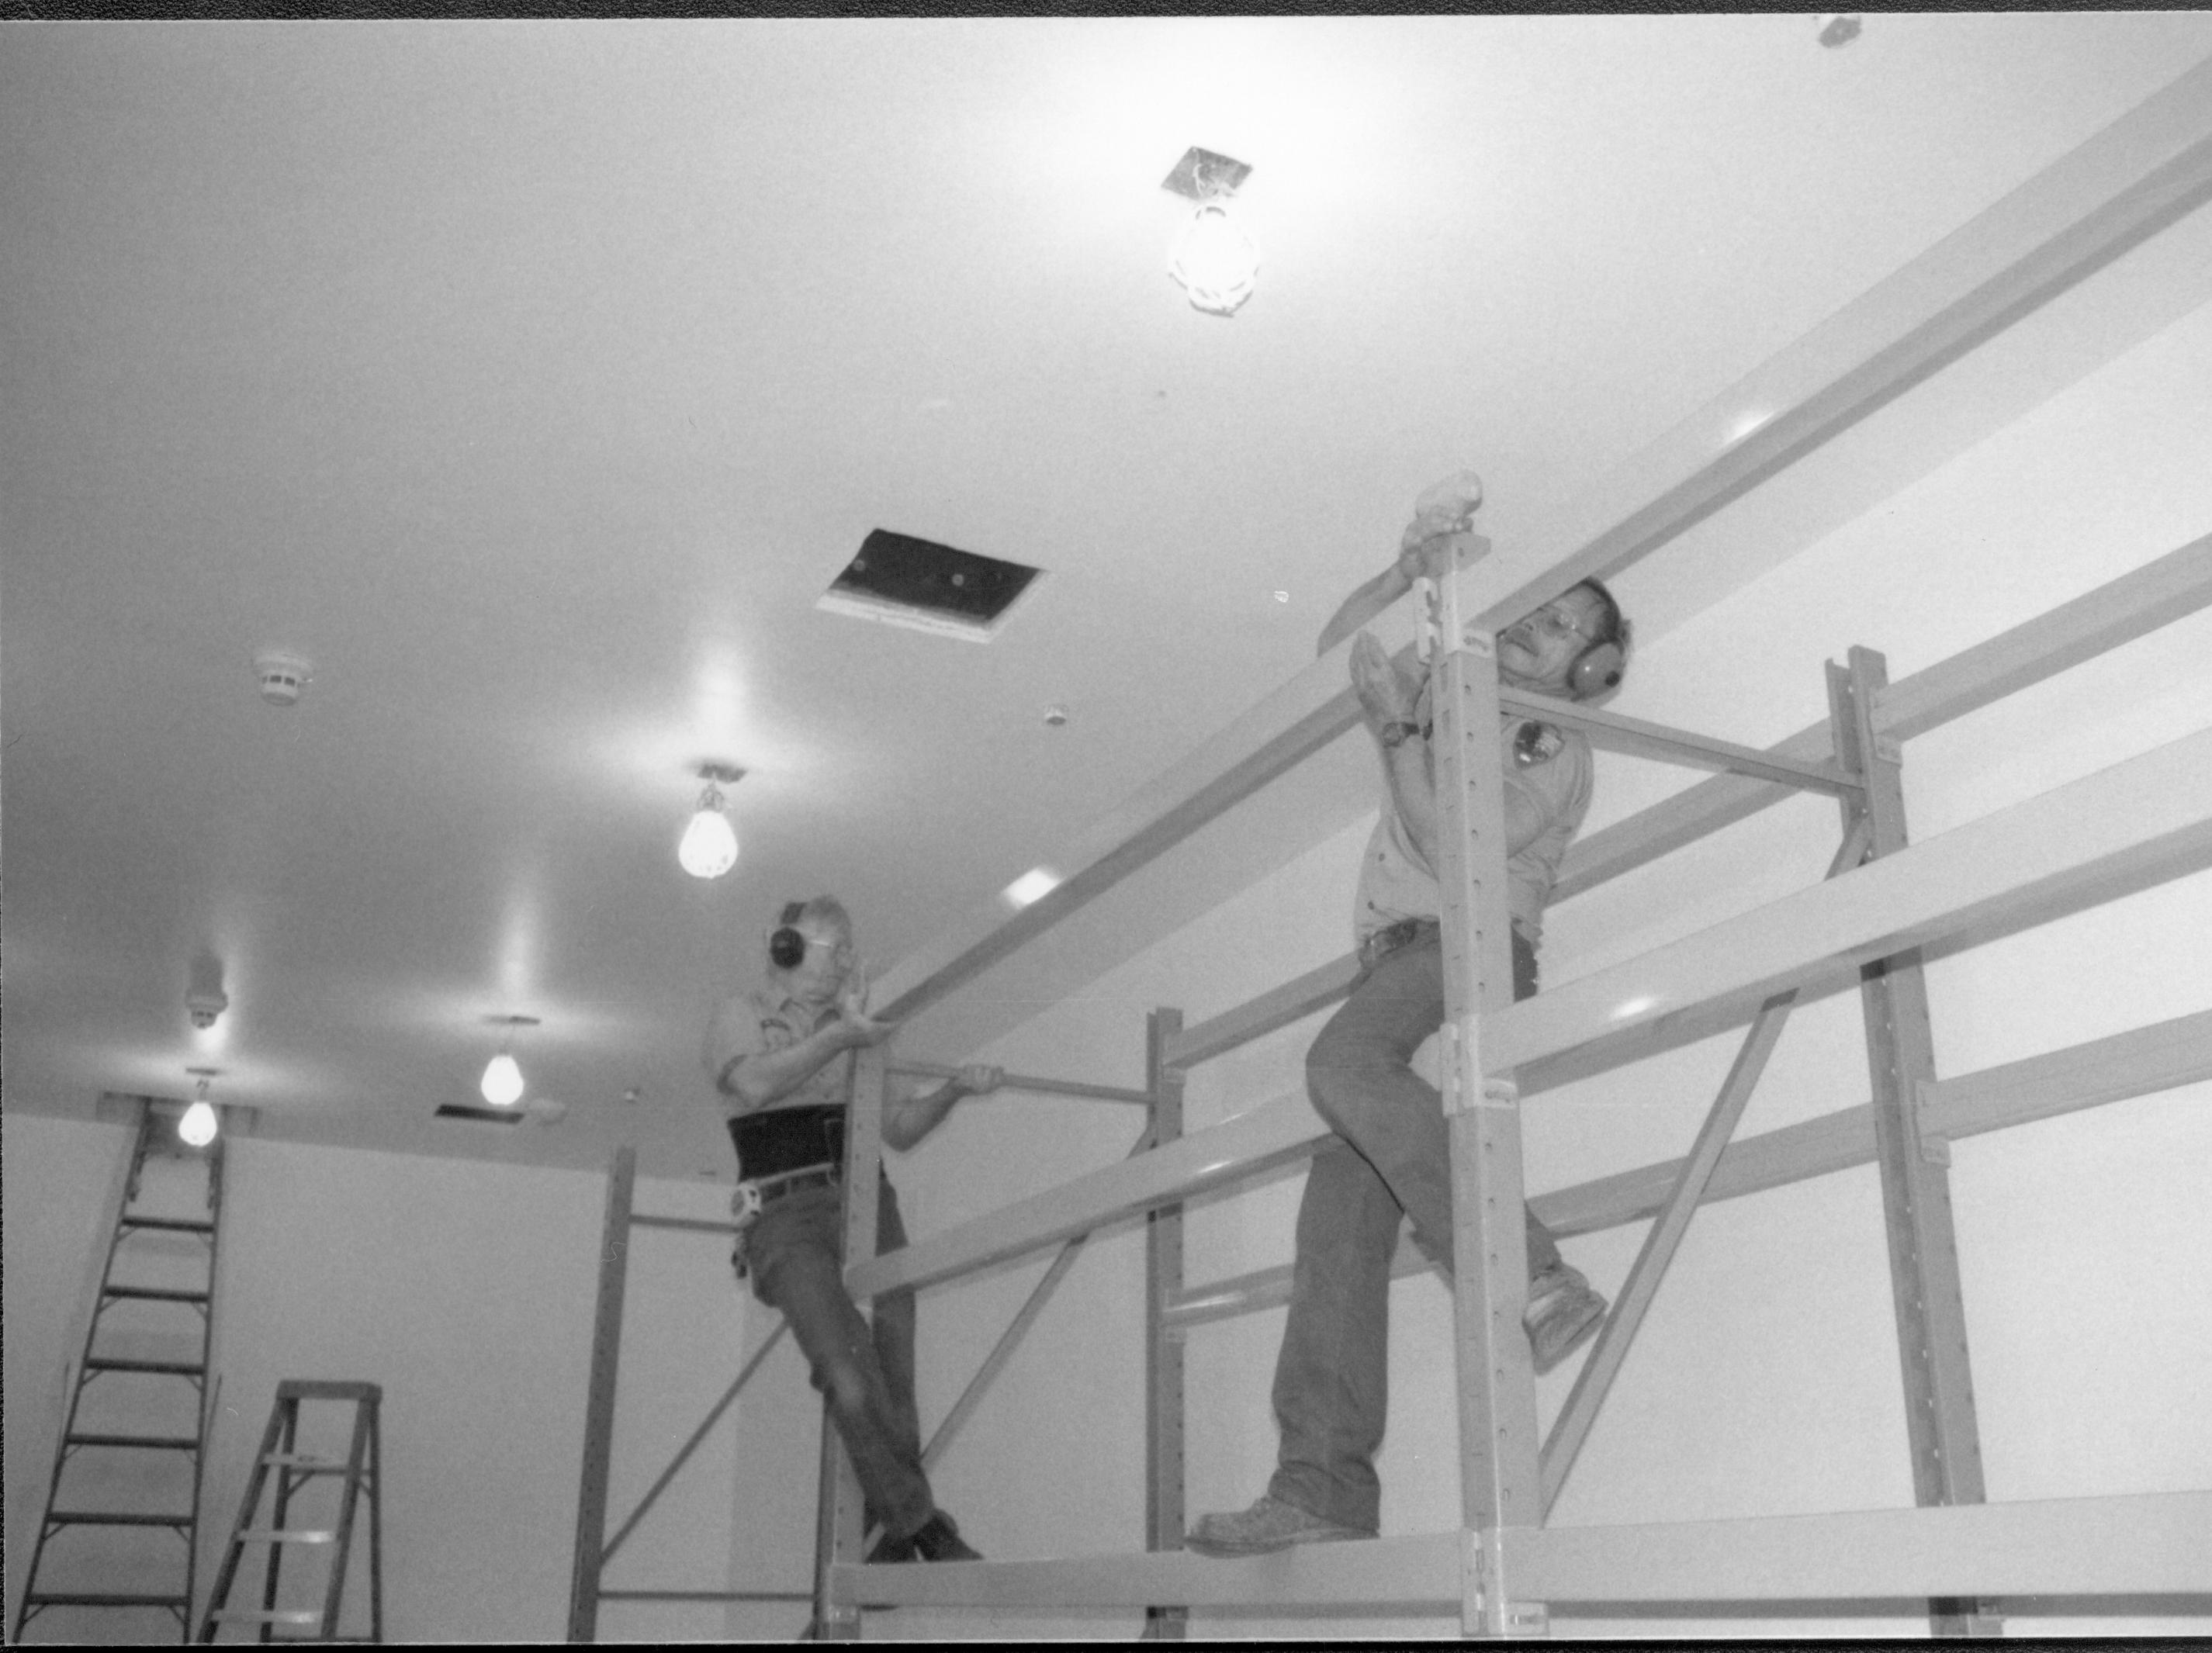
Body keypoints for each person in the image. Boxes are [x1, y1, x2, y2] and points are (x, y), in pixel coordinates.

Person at [1188, 511, 1632, 1558]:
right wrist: (1400, 569)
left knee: (1336, 1063)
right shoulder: (1453, 689)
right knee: (1333, 1242)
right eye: (1539, 603)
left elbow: (1453, 844)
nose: (1538, 621)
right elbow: (1327, 656)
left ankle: (1532, 1268)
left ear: (1590, 669)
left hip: (1468, 949)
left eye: (1567, 622)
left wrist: (1397, 728)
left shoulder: (1546, 738)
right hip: (1400, 963)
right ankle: (1321, 1487)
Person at [702, 894, 1003, 1564]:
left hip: (869, 1195)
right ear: (784, 948)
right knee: (846, 1373)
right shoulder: (742, 1015)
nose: (842, 962)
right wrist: (839, 1036)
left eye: (847, 950)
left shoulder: (862, 1029)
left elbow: (898, 1129)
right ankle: (917, 1519)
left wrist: (954, 1090)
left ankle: (886, 1529)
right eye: (829, 946)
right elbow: (752, 1085)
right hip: (783, 1213)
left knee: (895, 1363)